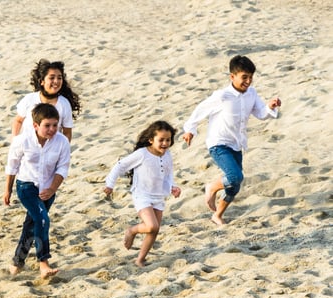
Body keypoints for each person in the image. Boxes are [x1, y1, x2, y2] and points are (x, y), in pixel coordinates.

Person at [182, 55, 282, 225]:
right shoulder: (222, 96)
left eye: (250, 77)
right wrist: (190, 130)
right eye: (244, 77)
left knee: (235, 185)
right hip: (218, 143)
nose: (248, 81)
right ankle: (211, 187)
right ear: (232, 76)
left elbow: (260, 113)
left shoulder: (252, 93)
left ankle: (217, 215)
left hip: (237, 143)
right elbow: (201, 110)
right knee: (235, 176)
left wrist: (270, 107)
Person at [4, 103, 71, 278]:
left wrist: (52, 189)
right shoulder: (22, 140)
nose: (52, 129)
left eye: (55, 125)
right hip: (26, 185)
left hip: (49, 187)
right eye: (47, 125)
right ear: (36, 125)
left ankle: (17, 262)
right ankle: (44, 263)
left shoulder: (62, 141)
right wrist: (8, 191)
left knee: (32, 224)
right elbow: (12, 166)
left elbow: (62, 168)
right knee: (42, 220)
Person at [104, 120, 181, 267]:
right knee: (151, 226)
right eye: (161, 140)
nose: (165, 143)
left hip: (159, 196)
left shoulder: (167, 155)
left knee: (154, 230)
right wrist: (110, 184)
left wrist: (173, 187)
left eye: (168, 140)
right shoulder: (142, 154)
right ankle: (132, 231)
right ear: (151, 140)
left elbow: (168, 174)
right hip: (142, 195)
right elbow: (121, 165)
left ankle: (140, 259)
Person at [11, 59, 81, 142]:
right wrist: (14, 141)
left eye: (59, 78)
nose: (56, 81)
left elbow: (67, 132)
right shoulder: (29, 99)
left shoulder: (64, 104)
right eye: (52, 78)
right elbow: (18, 121)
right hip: (27, 148)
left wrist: (62, 150)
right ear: (42, 81)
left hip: (51, 150)